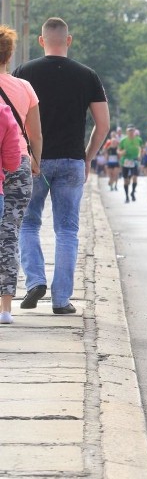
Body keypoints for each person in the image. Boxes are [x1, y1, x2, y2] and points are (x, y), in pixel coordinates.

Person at [15, 17, 110, 315]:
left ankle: (34, 281)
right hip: (71, 160)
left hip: (34, 161)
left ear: (41, 41)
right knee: (67, 230)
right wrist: (89, 156)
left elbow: (13, 119)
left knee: (28, 224)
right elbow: (103, 124)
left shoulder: (24, 73)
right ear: (68, 41)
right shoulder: (87, 75)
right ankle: (60, 299)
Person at [0, 24, 37, 324]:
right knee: (9, 235)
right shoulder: (24, 88)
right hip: (18, 163)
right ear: (10, 55)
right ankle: (6, 307)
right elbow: (34, 134)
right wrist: (36, 160)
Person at [118, 125, 144, 202]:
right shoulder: (123, 140)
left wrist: (140, 156)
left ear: (134, 131)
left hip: (135, 161)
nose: (131, 132)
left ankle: (132, 192)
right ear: (126, 132)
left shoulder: (138, 139)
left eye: (132, 131)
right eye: (129, 131)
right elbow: (118, 151)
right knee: (126, 180)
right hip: (125, 161)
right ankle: (126, 196)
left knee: (135, 177)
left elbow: (141, 149)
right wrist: (122, 152)